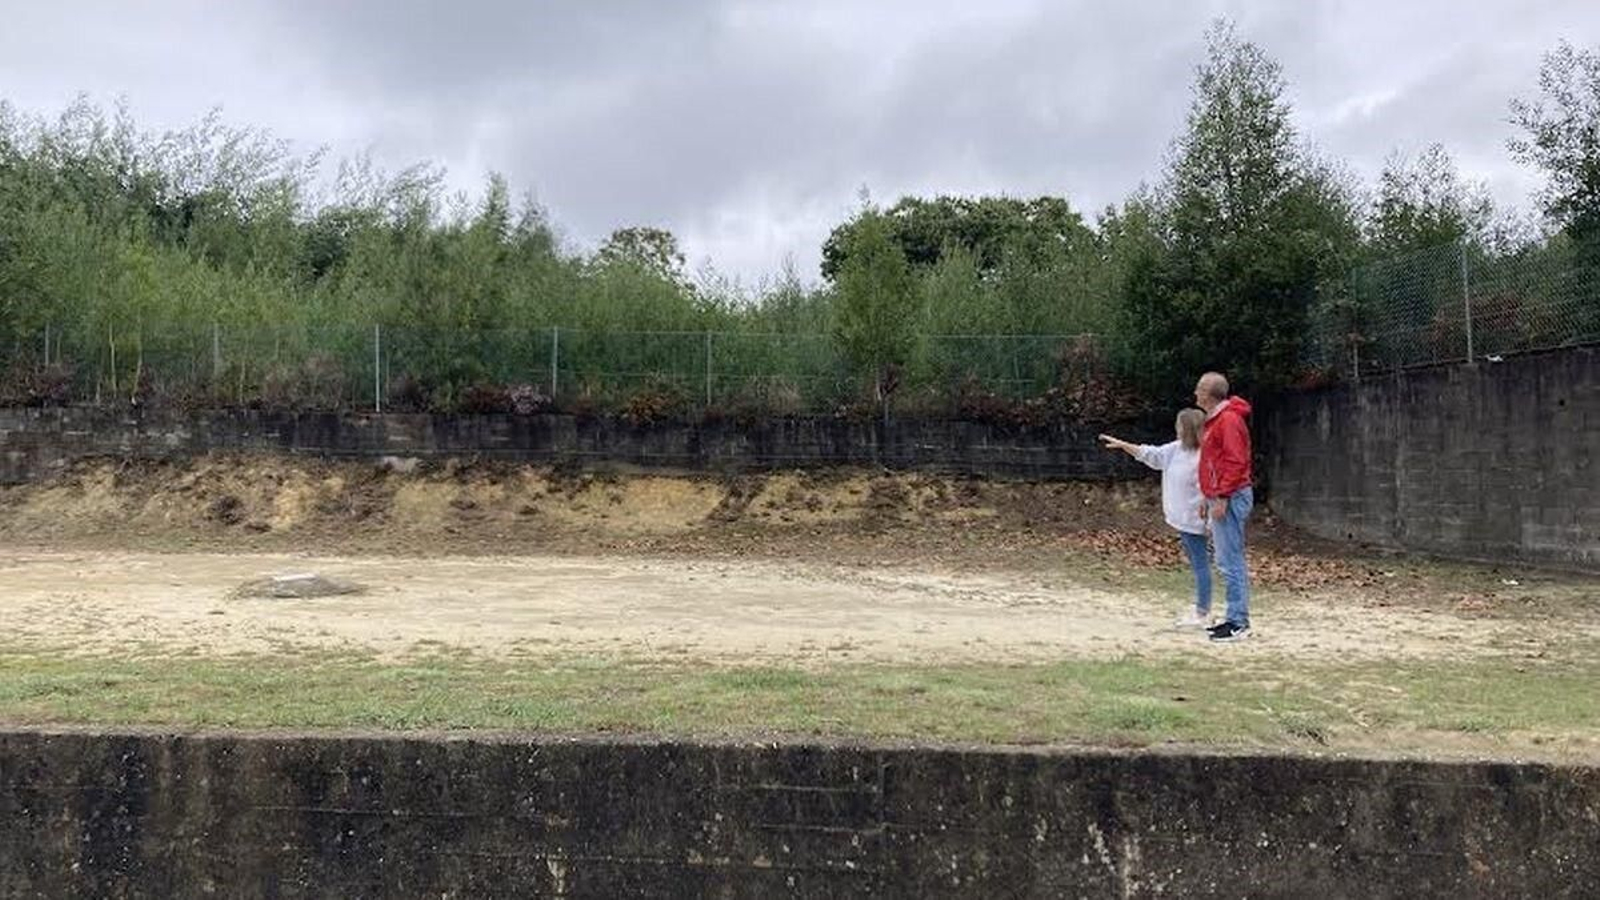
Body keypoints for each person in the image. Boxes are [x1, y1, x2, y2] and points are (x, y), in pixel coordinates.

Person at [1100, 409, 1212, 628]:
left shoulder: (1204, 455)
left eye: (1180, 426)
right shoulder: (1175, 449)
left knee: (1201, 564)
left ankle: (1203, 611)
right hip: (1181, 517)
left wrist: (1208, 512)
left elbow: (1209, 486)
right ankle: (1202, 607)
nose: (1177, 429)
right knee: (1197, 562)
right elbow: (1151, 454)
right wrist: (1124, 445)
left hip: (1197, 519)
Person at [1194, 372, 1254, 642]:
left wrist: (1222, 496)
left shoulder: (1227, 420)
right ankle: (1233, 617)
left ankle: (1238, 622)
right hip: (1220, 495)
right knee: (1225, 559)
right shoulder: (1215, 421)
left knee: (1231, 560)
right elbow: (1212, 464)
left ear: (1210, 393)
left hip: (1229, 496)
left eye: (1199, 388)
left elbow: (1235, 461)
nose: (1196, 393)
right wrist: (1207, 496)